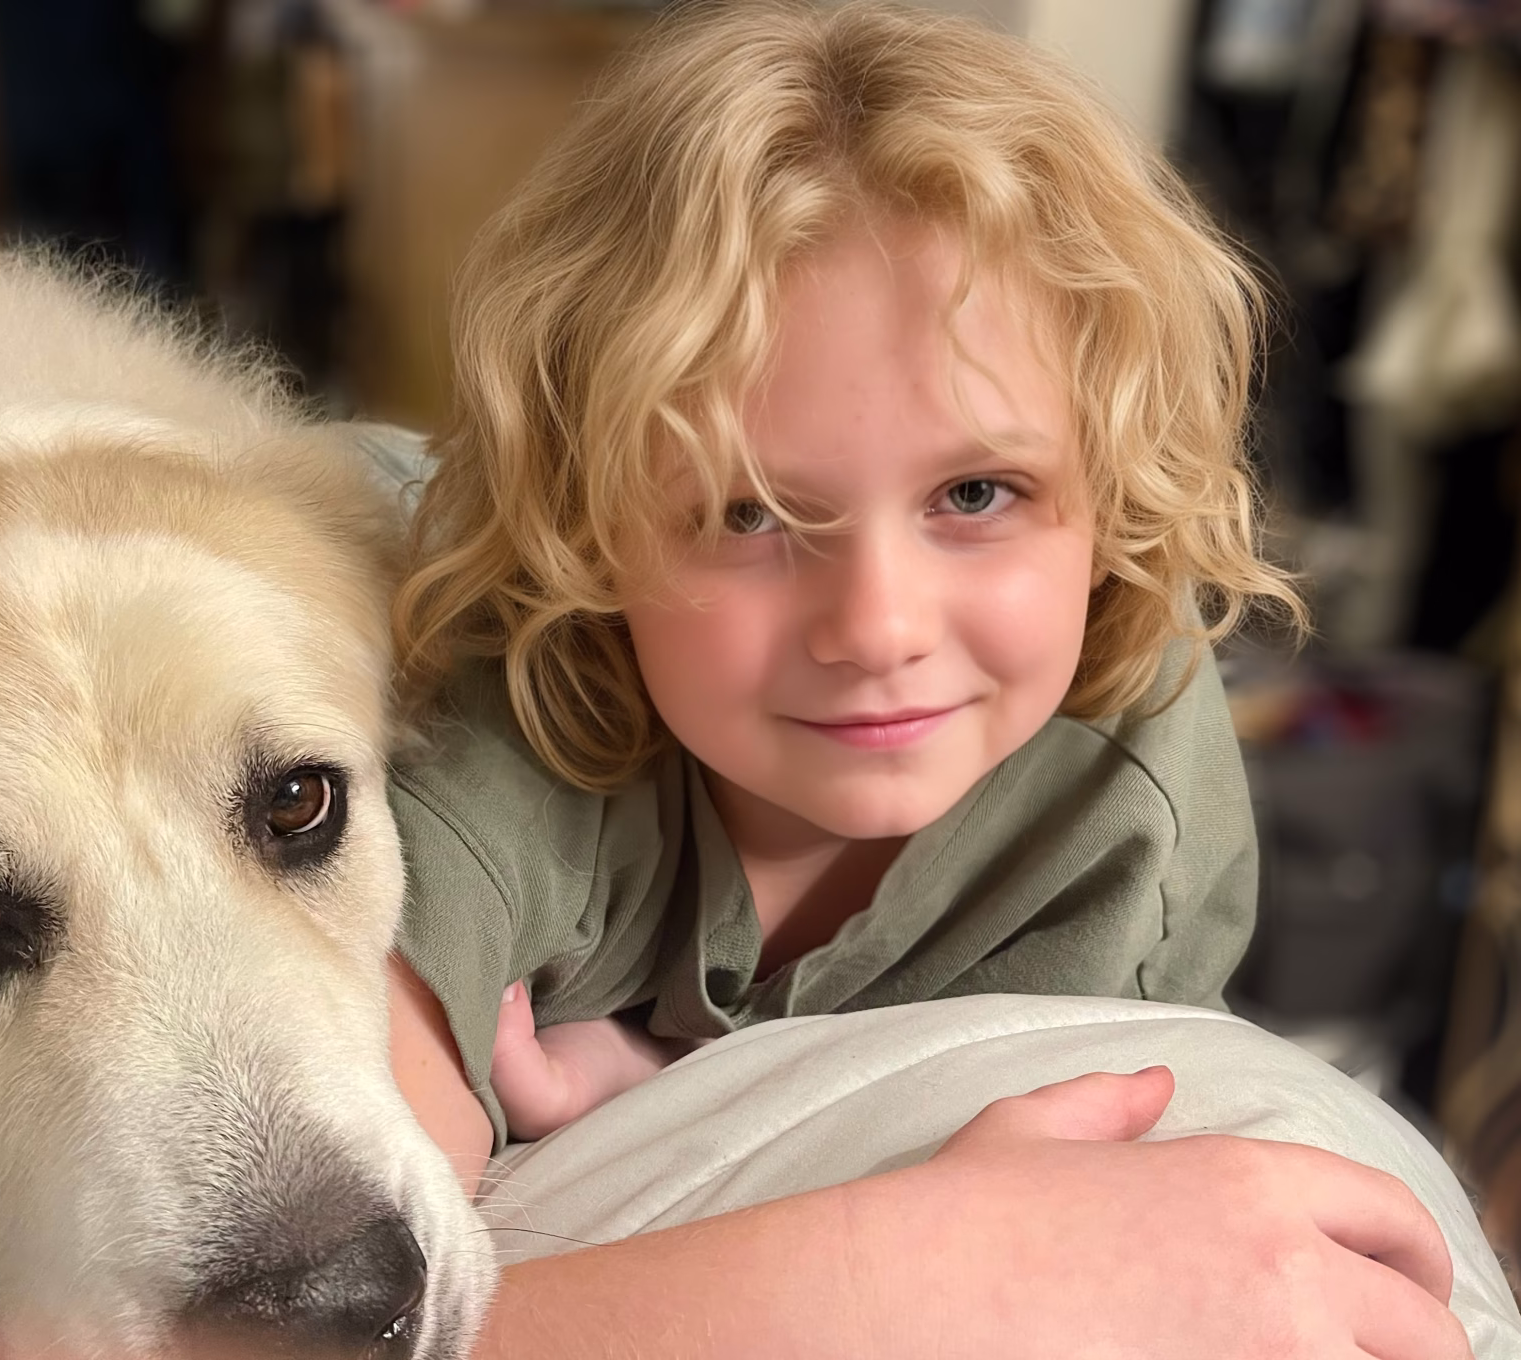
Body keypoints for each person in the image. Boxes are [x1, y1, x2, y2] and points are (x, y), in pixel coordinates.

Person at [379, 2, 1482, 1356]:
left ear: (1113, 498)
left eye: (976, 493)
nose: (879, 627)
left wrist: (665, 1077)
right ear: (584, 527)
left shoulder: (1120, 828)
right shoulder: (473, 715)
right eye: (749, 512)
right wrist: (912, 1267)